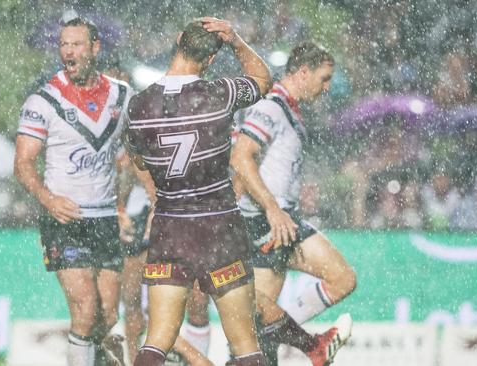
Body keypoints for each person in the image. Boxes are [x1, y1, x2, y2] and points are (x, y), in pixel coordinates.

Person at [126, 17, 272, 366]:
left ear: (178, 42)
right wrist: (236, 40)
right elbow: (264, 80)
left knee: (157, 341)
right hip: (218, 225)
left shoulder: (139, 107)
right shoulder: (219, 94)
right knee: (246, 346)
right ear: (209, 61)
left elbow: (140, 162)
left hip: (170, 226)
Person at [14, 16, 133, 366]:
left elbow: (133, 158)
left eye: (77, 44)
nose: (69, 51)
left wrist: (127, 206)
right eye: (64, 44)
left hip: (106, 218)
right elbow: (22, 164)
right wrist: (48, 199)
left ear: (95, 48)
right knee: (85, 311)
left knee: (108, 317)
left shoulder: (123, 96)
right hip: (64, 219)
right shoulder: (42, 101)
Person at [231, 41, 356, 365]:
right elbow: (241, 156)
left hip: (279, 218)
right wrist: (272, 209)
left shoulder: (288, 109)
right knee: (341, 280)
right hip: (267, 220)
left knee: (259, 327)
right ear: (303, 72)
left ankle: (297, 341)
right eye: (324, 78)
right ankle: (311, 345)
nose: (326, 87)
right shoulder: (271, 107)